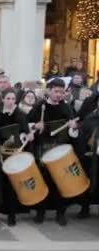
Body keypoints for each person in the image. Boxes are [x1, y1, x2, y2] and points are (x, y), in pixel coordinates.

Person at [28, 78, 77, 225]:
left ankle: (60, 213)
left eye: (62, 92)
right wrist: (36, 126)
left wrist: (72, 126)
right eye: (56, 91)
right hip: (43, 149)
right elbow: (27, 124)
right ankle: (40, 212)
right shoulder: (39, 106)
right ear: (49, 90)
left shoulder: (67, 108)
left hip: (61, 150)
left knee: (61, 182)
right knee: (44, 181)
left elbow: (73, 131)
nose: (59, 95)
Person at [0, 89, 33, 226]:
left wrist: (27, 136)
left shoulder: (21, 115)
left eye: (13, 99)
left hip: (15, 154)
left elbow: (25, 133)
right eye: (8, 98)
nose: (11, 101)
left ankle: (12, 214)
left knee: (12, 184)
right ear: (3, 99)